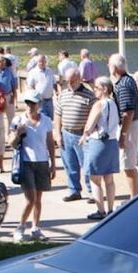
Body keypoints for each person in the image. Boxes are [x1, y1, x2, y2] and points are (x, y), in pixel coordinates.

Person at [10, 94, 56, 242]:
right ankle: (21, 226)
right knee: (31, 198)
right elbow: (11, 142)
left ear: (39, 104)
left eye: (33, 103)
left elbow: (50, 142)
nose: (30, 106)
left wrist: (53, 163)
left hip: (42, 162)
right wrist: (18, 134)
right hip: (26, 162)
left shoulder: (46, 121)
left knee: (38, 199)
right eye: (28, 103)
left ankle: (35, 228)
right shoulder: (19, 120)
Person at [54, 65, 96, 202]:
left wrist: (87, 133)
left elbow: (94, 116)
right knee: (70, 164)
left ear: (79, 79)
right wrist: (58, 134)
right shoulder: (64, 94)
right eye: (67, 81)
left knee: (87, 165)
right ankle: (74, 190)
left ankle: (92, 192)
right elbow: (58, 114)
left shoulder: (89, 95)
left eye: (72, 81)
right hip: (66, 132)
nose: (70, 84)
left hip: (81, 134)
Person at [80, 76, 121, 219]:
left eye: (96, 88)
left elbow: (90, 125)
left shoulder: (99, 104)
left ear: (104, 89)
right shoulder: (114, 103)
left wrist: (85, 134)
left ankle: (101, 210)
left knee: (95, 179)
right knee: (109, 179)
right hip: (111, 142)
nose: (94, 91)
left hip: (98, 142)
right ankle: (110, 209)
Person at [109, 54, 138, 197]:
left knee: (128, 164)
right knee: (128, 163)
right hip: (130, 124)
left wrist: (123, 135)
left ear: (114, 67)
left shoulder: (123, 84)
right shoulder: (127, 81)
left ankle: (134, 197)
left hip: (129, 126)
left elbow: (128, 113)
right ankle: (136, 194)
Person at [0, 53, 18, 130]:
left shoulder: (9, 71)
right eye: (0, 61)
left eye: (4, 60)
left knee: (11, 118)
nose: (3, 62)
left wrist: (13, 97)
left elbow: (13, 85)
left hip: (8, 96)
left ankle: (11, 135)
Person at [26, 54, 56, 119]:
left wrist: (56, 92)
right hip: (39, 101)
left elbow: (54, 83)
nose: (41, 63)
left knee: (50, 119)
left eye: (43, 61)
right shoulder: (33, 72)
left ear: (45, 62)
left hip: (50, 100)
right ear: (37, 62)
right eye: (40, 61)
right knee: (41, 119)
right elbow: (30, 86)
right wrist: (36, 97)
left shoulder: (50, 71)